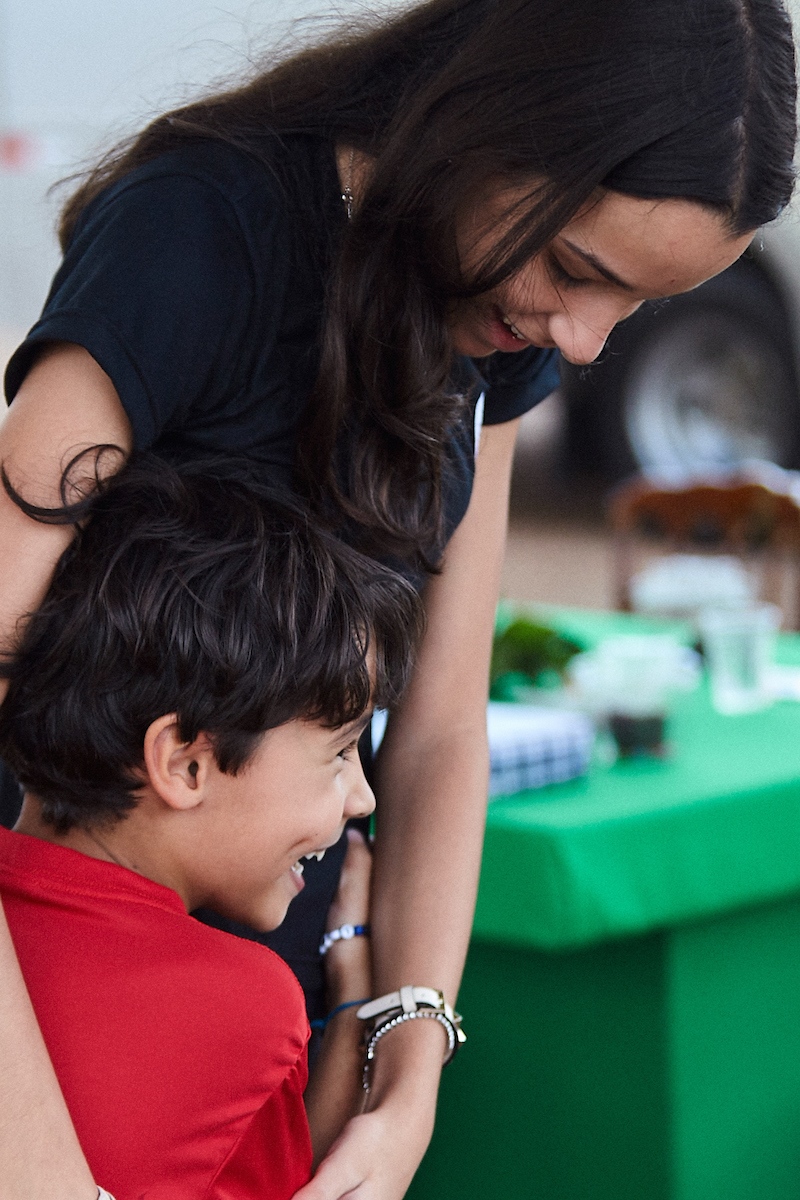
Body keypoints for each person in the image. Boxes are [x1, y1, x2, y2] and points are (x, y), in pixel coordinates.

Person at [0, 0, 795, 1196]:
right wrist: (38, 1163)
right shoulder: (199, 232)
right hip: (59, 998)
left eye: (629, 308)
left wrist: (408, 1059)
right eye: (575, 270)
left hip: (264, 994)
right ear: (486, 125)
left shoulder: (497, 337)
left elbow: (435, 726)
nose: (580, 343)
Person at [0, 452, 419, 1199]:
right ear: (186, 764)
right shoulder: (246, 1009)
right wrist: (352, 987)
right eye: (340, 752)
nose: (363, 798)